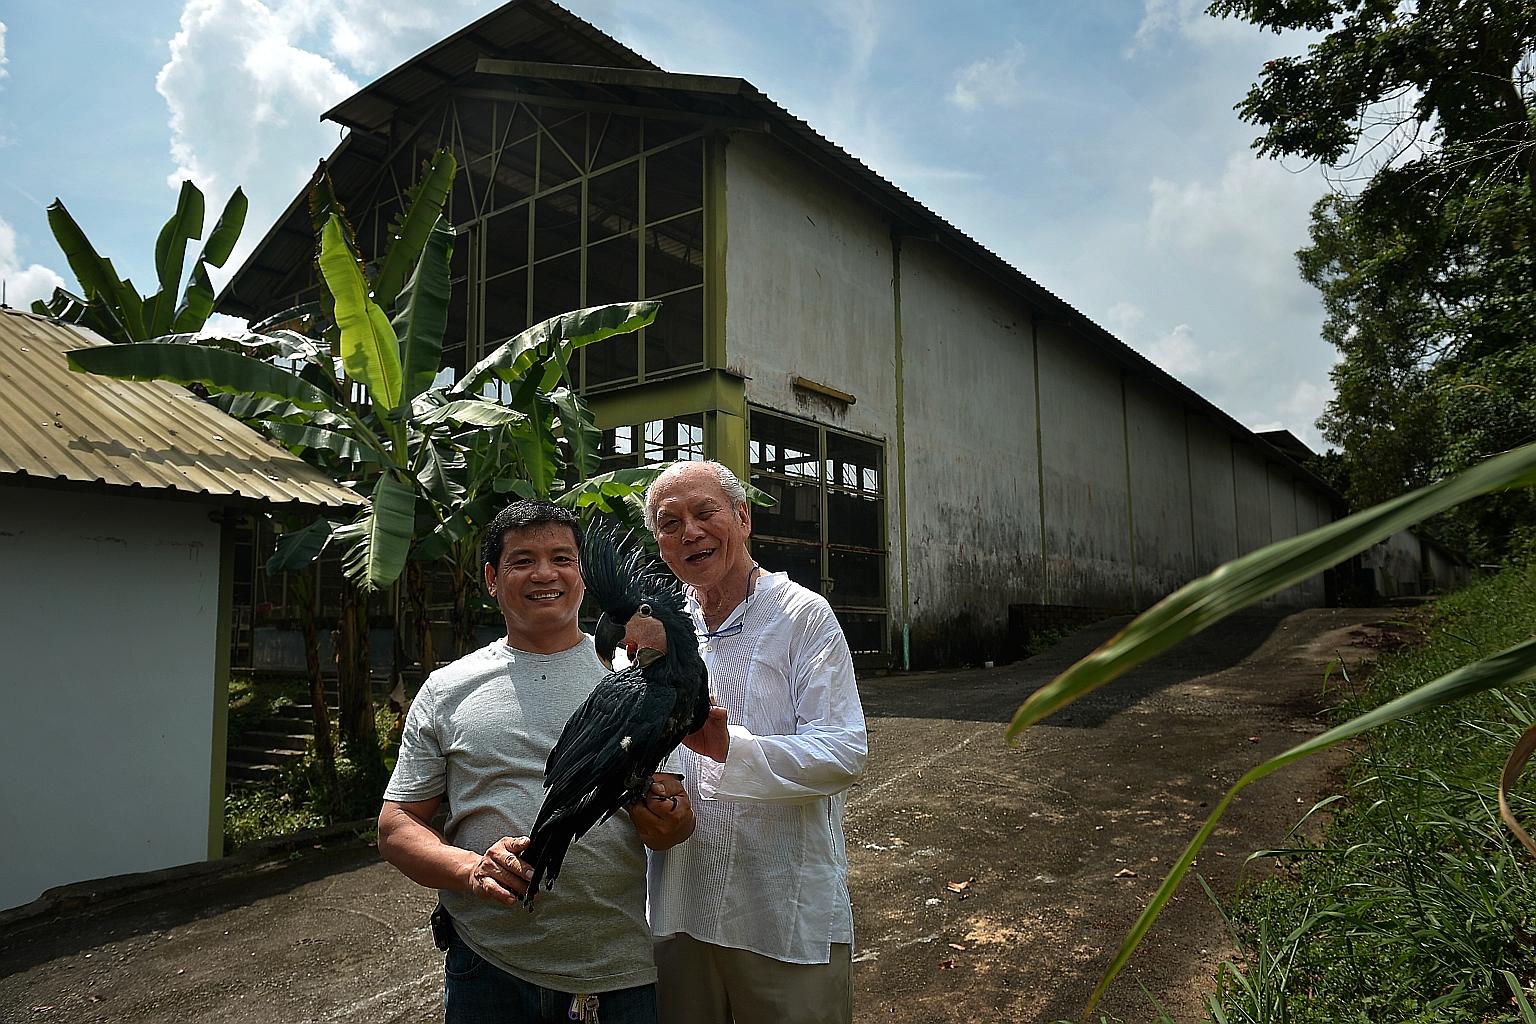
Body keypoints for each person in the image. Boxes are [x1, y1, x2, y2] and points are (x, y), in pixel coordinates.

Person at [377, 499, 694, 1024]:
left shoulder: (645, 678)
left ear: (582, 577)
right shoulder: (448, 688)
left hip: (614, 971)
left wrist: (670, 819)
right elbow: (397, 825)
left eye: (562, 558)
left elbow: (666, 827)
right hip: (488, 966)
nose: (545, 573)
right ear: (491, 579)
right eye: (522, 560)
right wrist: (471, 868)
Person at [642, 460, 869, 1024]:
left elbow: (844, 750)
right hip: (681, 908)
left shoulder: (800, 615)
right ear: (661, 548)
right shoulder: (666, 630)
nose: (689, 532)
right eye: (669, 524)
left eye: (704, 512)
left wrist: (730, 751)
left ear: (742, 518)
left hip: (779, 914)